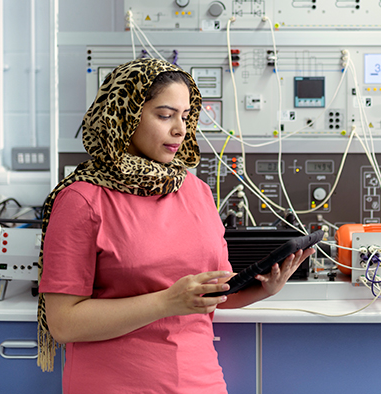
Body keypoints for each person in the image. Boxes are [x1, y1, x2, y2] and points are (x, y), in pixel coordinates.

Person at [37, 58, 314, 393]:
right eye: (165, 115)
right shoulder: (81, 199)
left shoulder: (195, 191)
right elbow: (63, 323)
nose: (181, 129)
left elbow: (210, 294)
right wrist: (167, 302)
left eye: (185, 116)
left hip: (200, 380)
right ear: (126, 116)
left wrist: (262, 288)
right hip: (113, 383)